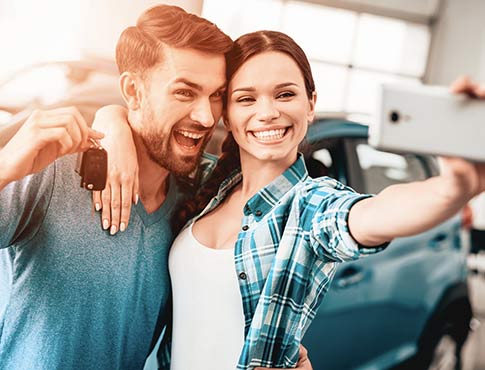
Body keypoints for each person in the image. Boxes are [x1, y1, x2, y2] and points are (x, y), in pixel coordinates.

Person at [92, 30, 485, 369]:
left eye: (285, 94)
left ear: (310, 104)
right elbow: (149, 140)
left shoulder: (311, 205)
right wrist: (112, 121)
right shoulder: (207, 183)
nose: (267, 112)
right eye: (246, 99)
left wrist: (452, 188)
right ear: (226, 114)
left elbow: (371, 213)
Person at [0, 5, 312, 370]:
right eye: (184, 92)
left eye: (215, 95)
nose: (206, 117)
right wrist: (5, 167)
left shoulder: (204, 195)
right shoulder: (55, 173)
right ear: (133, 91)